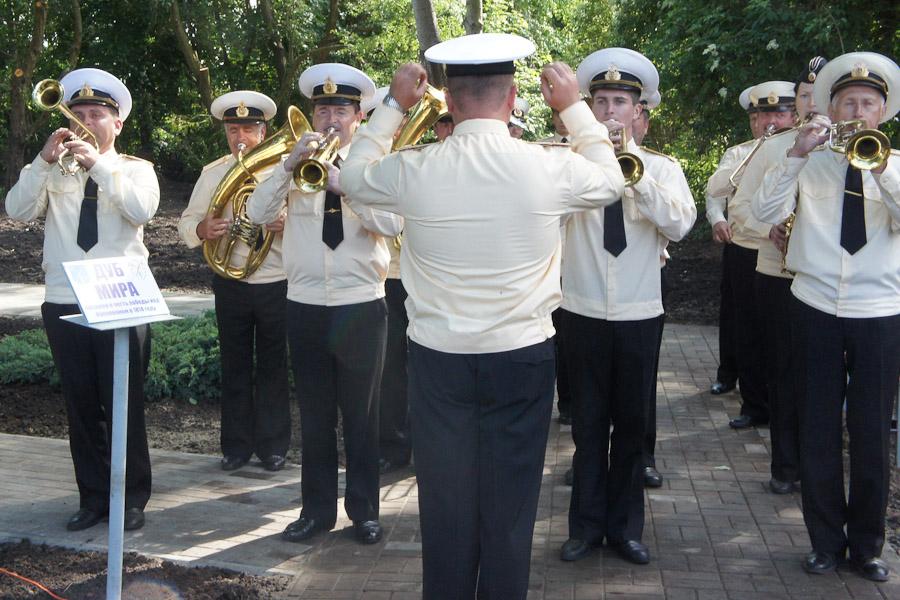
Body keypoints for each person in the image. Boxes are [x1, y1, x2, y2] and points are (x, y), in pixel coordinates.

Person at [341, 32, 625, 599]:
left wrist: (393, 106)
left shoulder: (414, 169)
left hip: (439, 361)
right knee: (511, 510)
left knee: (445, 506)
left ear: (448, 100)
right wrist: (573, 107)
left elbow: (351, 176)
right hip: (521, 359)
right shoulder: (549, 167)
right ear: (514, 97)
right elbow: (612, 180)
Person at [752, 51, 900, 583]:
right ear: (831, 109)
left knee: (870, 431)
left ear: (882, 113)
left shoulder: (895, 163)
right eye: (848, 103)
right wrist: (795, 154)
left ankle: (868, 547)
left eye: (868, 104)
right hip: (814, 304)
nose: (858, 112)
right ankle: (824, 541)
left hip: (879, 311)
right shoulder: (806, 158)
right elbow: (761, 215)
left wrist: (880, 170)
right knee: (817, 425)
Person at [246, 63, 403, 545]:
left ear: (359, 117)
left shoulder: (376, 166)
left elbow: (394, 224)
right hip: (306, 304)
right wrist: (286, 168)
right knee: (314, 417)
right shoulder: (295, 164)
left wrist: (346, 186)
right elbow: (257, 213)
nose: (330, 119)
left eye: (340, 110)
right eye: (323, 110)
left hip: (360, 305)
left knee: (362, 415)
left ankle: (364, 512)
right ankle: (315, 513)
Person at [558, 47, 696, 565]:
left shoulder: (661, 168)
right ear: (588, 109)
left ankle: (625, 530)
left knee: (632, 427)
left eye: (620, 103)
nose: (610, 112)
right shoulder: (567, 165)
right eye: (601, 102)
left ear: (639, 112)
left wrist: (636, 178)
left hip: (639, 313)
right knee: (587, 427)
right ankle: (584, 528)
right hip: (582, 310)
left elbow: (679, 225)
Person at [5, 68, 159, 532]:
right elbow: (16, 210)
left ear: (117, 123)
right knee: (81, 405)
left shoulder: (136, 169)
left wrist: (100, 166)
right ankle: (92, 497)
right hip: (64, 296)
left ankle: (131, 499)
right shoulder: (52, 169)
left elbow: (141, 210)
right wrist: (41, 160)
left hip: (121, 300)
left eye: (97, 115)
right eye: (79, 115)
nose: (87, 122)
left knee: (123, 405)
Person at [177, 91, 291, 473]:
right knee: (234, 364)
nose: (240, 137)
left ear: (264, 131)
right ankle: (236, 447)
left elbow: (311, 222)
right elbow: (186, 221)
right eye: (233, 130)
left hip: (276, 279)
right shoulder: (214, 173)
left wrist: (287, 222)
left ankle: (274, 447)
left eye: (248, 128)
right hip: (231, 282)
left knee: (274, 365)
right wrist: (201, 228)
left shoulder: (284, 170)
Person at [731, 58, 828, 495]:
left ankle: (820, 464)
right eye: (805, 96)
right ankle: (786, 466)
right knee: (784, 372)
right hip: (777, 273)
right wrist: (766, 229)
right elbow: (741, 206)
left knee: (822, 376)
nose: (813, 103)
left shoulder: (856, 148)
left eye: (819, 96)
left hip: (825, 278)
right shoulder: (774, 147)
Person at [716, 80, 797, 430]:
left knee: (783, 339)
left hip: (792, 259)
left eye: (779, 113)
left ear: (794, 116)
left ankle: (784, 410)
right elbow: (720, 193)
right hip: (749, 249)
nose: (770, 121)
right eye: (763, 114)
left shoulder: (809, 149)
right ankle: (753, 405)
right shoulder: (742, 152)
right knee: (747, 328)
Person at [706, 85, 758, 398]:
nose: (762, 124)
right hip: (740, 244)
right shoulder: (738, 153)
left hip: (777, 246)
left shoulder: (797, 149)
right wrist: (718, 219)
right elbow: (715, 193)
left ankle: (761, 385)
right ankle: (728, 374)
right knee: (734, 312)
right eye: (754, 118)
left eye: (771, 116)